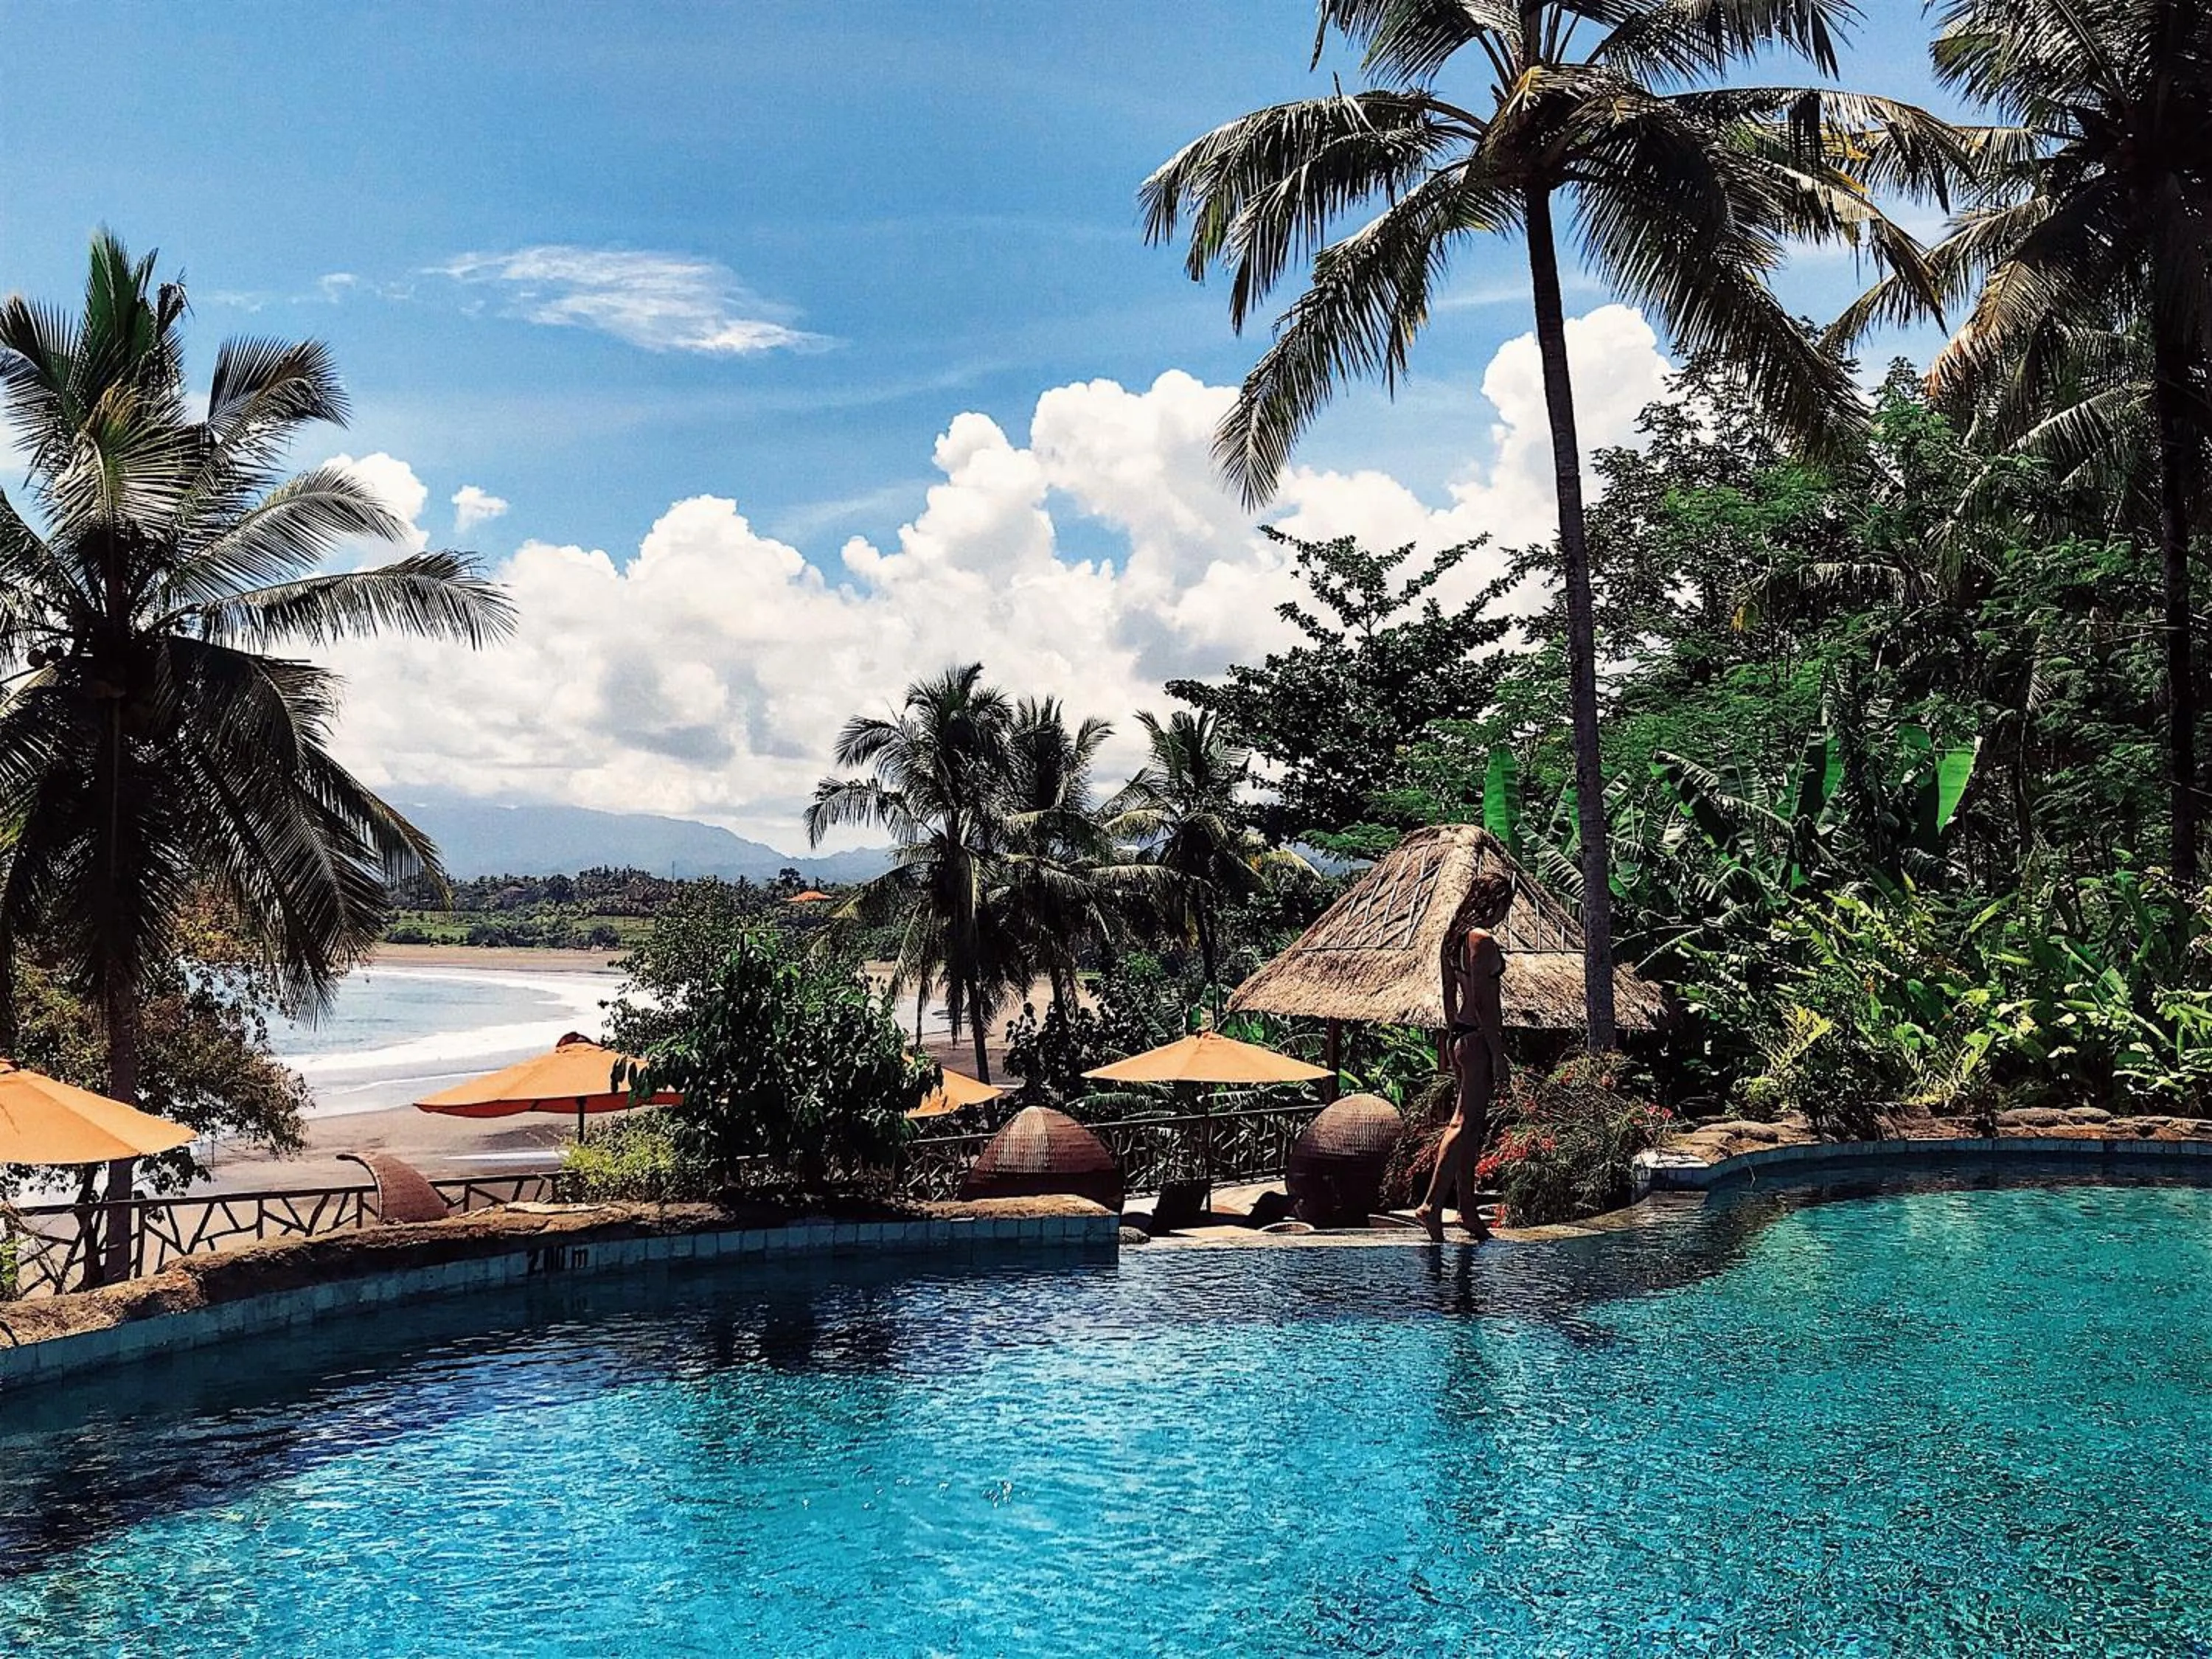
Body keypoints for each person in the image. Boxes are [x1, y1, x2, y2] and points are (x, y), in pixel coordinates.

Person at [1416, 870, 1512, 1242]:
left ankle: (1467, 1212)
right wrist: (1498, 1053)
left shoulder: (1453, 939)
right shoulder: (1481, 940)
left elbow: (1448, 996)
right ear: (1495, 902)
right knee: (1463, 1122)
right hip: (1478, 1040)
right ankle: (1432, 1205)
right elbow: (1486, 1005)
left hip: (1461, 1036)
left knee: (1471, 1128)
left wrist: (1453, 1036)